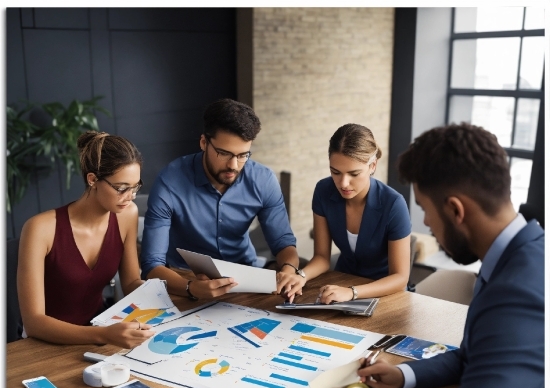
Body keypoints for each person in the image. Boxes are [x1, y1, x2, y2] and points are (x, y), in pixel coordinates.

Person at [316, 123, 544, 388]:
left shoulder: (520, 297)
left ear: (456, 209)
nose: (423, 222)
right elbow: (478, 352)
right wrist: (406, 375)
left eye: (425, 208)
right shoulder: (523, 255)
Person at [140, 98, 300, 300]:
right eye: (224, 153)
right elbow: (151, 265)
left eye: (243, 155)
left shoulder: (263, 179)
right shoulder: (169, 181)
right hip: (183, 278)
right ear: (204, 142)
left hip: (245, 277)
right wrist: (191, 287)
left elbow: (283, 243)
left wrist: (288, 269)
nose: (233, 165)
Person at [18, 131, 154, 348]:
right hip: (44, 344)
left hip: (100, 333)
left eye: (135, 187)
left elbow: (130, 283)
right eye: (121, 188)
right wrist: (103, 335)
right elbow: (34, 322)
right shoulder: (39, 229)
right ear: (93, 180)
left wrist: (173, 291)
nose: (131, 197)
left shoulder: (126, 214)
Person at [280, 123, 411, 304]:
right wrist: (301, 275)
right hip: (341, 285)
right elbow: (322, 258)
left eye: (354, 173)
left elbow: (400, 277)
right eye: (335, 172)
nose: (343, 183)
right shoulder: (323, 190)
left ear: (372, 166)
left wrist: (352, 292)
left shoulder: (394, 204)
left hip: (384, 293)